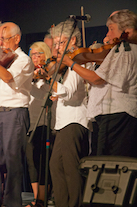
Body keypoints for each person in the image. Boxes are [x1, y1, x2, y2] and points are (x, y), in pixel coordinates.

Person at [56, 9, 137, 157]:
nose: (108, 34)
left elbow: (97, 78)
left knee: (113, 164)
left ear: (126, 29)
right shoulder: (120, 50)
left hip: (117, 115)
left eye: (111, 29)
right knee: (102, 161)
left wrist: (71, 63)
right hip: (109, 115)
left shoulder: (125, 50)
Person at [43, 19, 91, 207]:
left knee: (71, 168)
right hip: (63, 122)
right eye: (55, 44)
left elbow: (68, 92)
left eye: (61, 43)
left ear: (73, 41)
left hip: (74, 120)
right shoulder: (64, 64)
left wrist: (50, 78)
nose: (57, 48)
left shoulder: (78, 60)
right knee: (56, 166)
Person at [0, 22, 33, 207]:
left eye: (3, 39)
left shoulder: (23, 59)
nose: (1, 43)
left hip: (14, 113)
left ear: (16, 39)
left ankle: (11, 203)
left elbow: (8, 77)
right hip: (0, 112)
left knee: (13, 162)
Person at [25, 41, 56, 207]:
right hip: (30, 123)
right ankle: (37, 199)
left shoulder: (49, 74)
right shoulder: (31, 75)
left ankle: (43, 199)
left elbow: (44, 95)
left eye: (39, 54)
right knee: (32, 163)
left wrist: (42, 76)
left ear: (46, 55)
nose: (35, 58)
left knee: (42, 161)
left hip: (44, 123)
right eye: (33, 54)